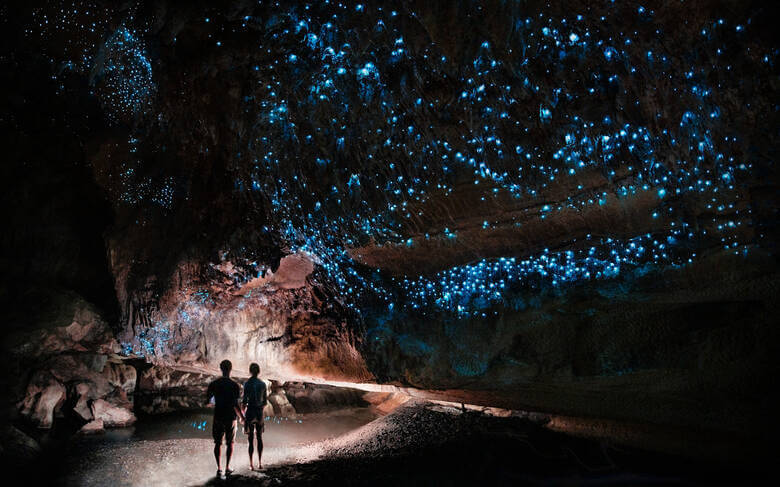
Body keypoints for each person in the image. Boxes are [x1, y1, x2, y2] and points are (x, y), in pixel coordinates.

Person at [206, 359, 245, 478]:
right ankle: (227, 467)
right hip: (230, 417)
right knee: (230, 443)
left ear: (221, 368)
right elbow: (235, 404)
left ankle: (219, 469)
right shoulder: (234, 385)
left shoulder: (214, 384)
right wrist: (242, 417)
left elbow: (208, 401)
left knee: (218, 443)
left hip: (218, 416)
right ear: (230, 369)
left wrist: (214, 401)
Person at [242, 362, 268, 471]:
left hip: (250, 411)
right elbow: (265, 402)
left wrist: (242, 415)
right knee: (259, 438)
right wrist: (261, 408)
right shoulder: (262, 384)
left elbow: (244, 401)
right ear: (258, 372)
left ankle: (251, 464)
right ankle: (260, 463)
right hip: (259, 412)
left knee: (250, 438)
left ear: (250, 371)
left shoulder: (247, 384)